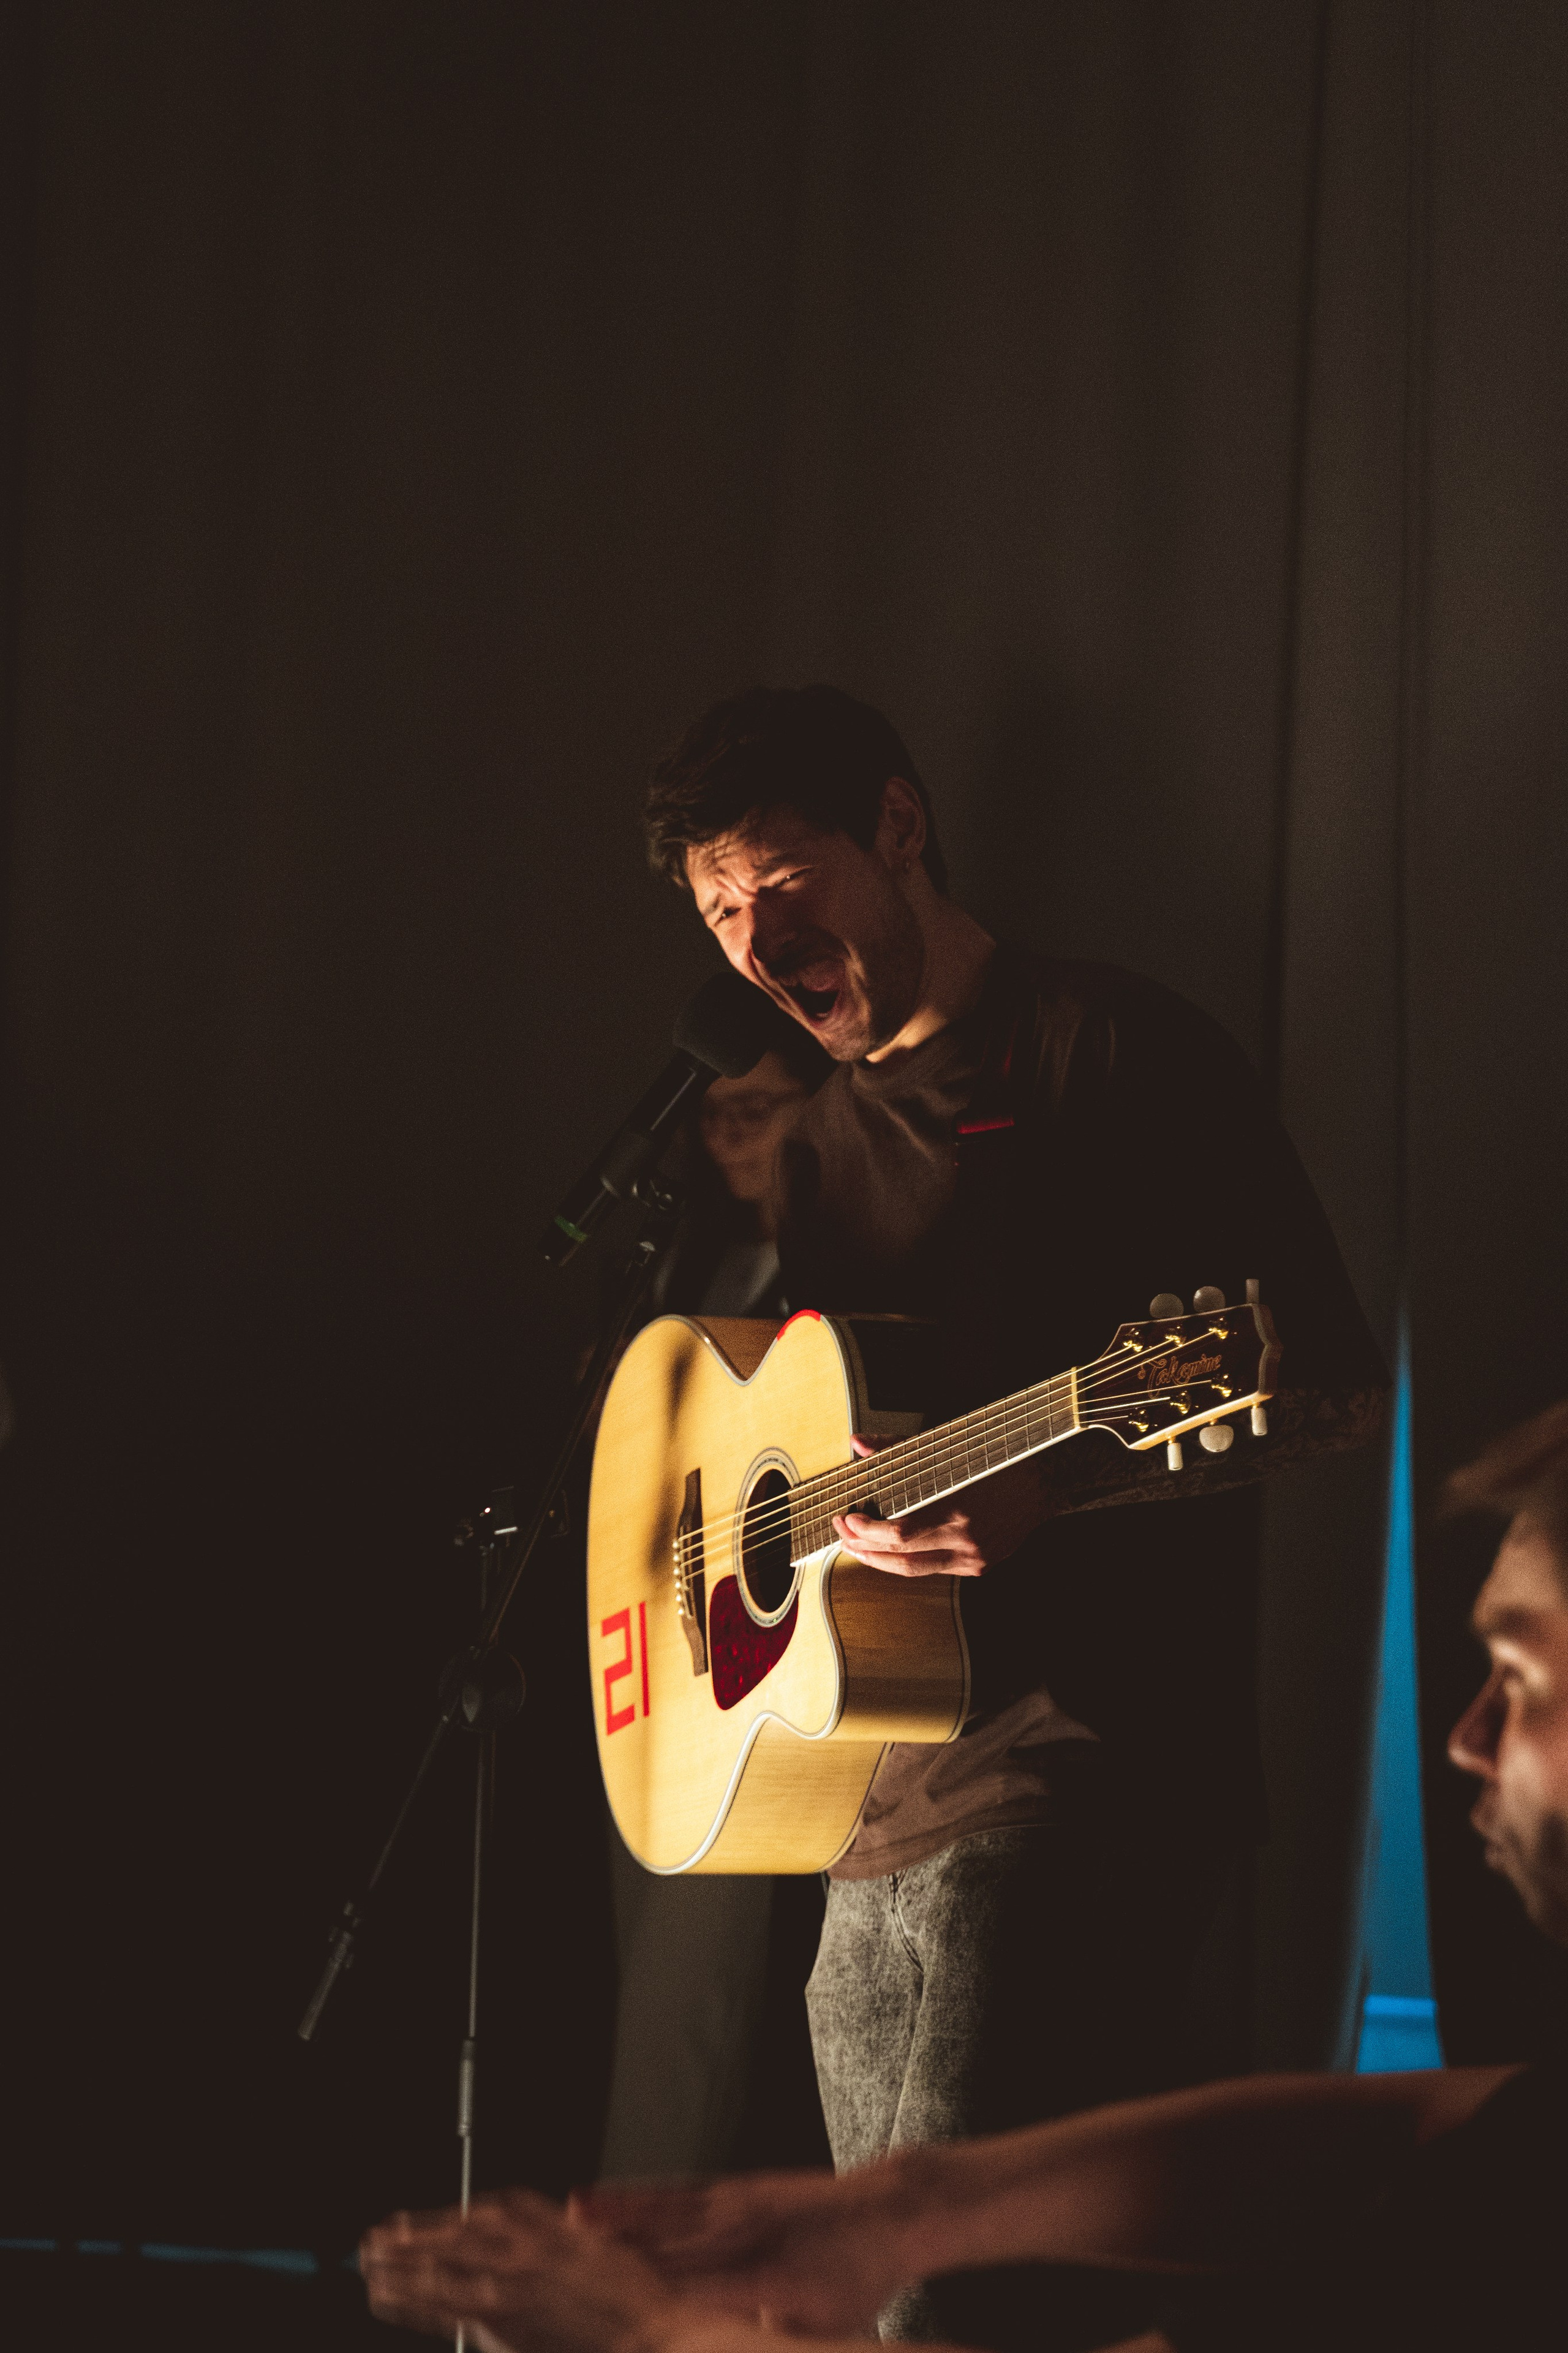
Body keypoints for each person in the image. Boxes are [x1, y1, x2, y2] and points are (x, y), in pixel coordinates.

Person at [360, 1395, 1568, 2353]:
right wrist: (898, 2208)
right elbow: (1420, 2132)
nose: (1462, 1737)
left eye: (1516, 1678)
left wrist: (647, 2332)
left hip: (1033, 1772)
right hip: (862, 1808)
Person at [600, 1043, 831, 2184]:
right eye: (715, 1115)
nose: (731, 1133)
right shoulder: (701, 1272)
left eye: (759, 1108)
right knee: (656, 1964)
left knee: (711, 1983)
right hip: (673, 1661)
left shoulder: (843, 1269)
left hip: (779, 1678)